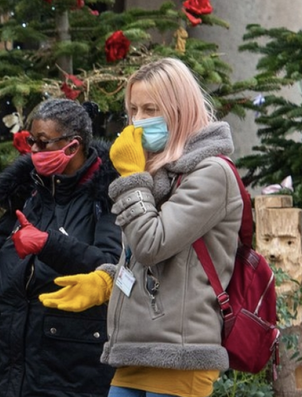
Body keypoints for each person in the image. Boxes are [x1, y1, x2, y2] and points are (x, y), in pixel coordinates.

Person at [39, 58, 243, 397]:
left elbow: (152, 244)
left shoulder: (211, 173)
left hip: (181, 352)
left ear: (181, 109)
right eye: (134, 109)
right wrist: (107, 279)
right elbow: (142, 254)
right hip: (135, 348)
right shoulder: (159, 173)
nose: (139, 121)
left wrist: (132, 179)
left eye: (151, 109)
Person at [0, 98, 122, 397]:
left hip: (73, 375)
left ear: (73, 146)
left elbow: (110, 268)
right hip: (11, 371)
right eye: (31, 142)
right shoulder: (29, 192)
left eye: (42, 143)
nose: (33, 152)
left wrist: (49, 244)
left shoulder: (107, 196)